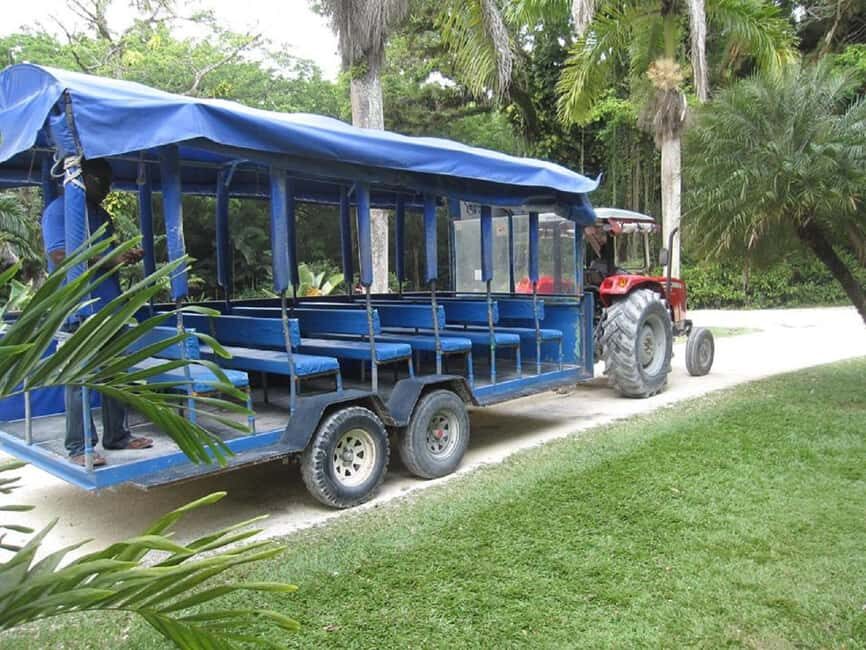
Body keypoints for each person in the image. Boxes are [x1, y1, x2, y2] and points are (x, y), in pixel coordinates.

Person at [42, 157, 153, 466]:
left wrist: (123, 256)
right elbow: (60, 254)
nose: (107, 188)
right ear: (85, 178)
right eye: (103, 181)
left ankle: (117, 436)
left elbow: (108, 257)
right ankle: (79, 446)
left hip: (110, 306)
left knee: (116, 373)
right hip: (77, 307)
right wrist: (111, 260)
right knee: (78, 376)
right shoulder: (58, 211)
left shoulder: (102, 215)